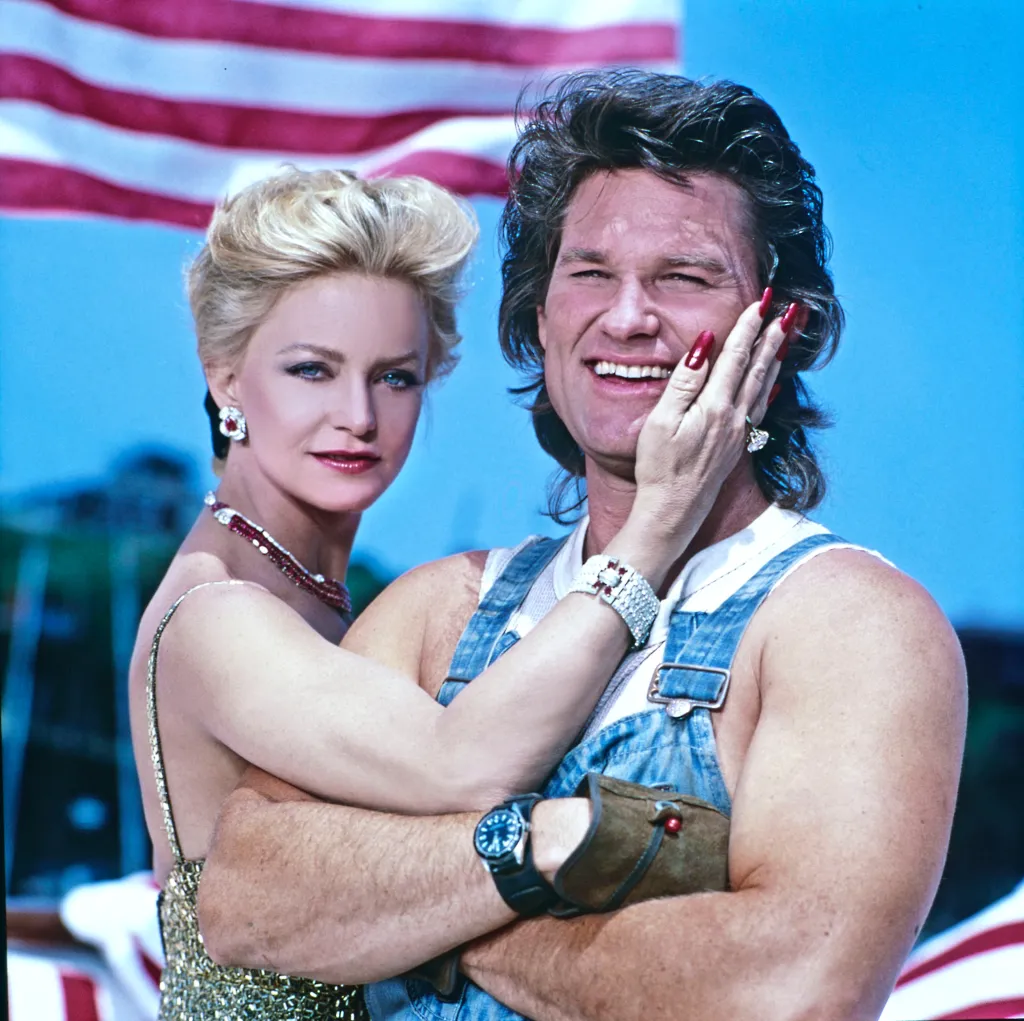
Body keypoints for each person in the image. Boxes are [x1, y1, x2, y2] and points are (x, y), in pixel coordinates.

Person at [195, 71, 967, 1021]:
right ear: (542, 314)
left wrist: (427, 913)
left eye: (683, 277)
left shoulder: (848, 624)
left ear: (777, 324)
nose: (628, 316)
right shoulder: (442, 610)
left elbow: (784, 992)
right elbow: (243, 898)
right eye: (590, 273)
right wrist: (551, 849)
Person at [128, 165, 782, 1020]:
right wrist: (659, 521)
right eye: (311, 371)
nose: (358, 414)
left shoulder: (316, 596)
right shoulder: (218, 612)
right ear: (225, 381)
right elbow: (462, 764)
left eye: (396, 376)